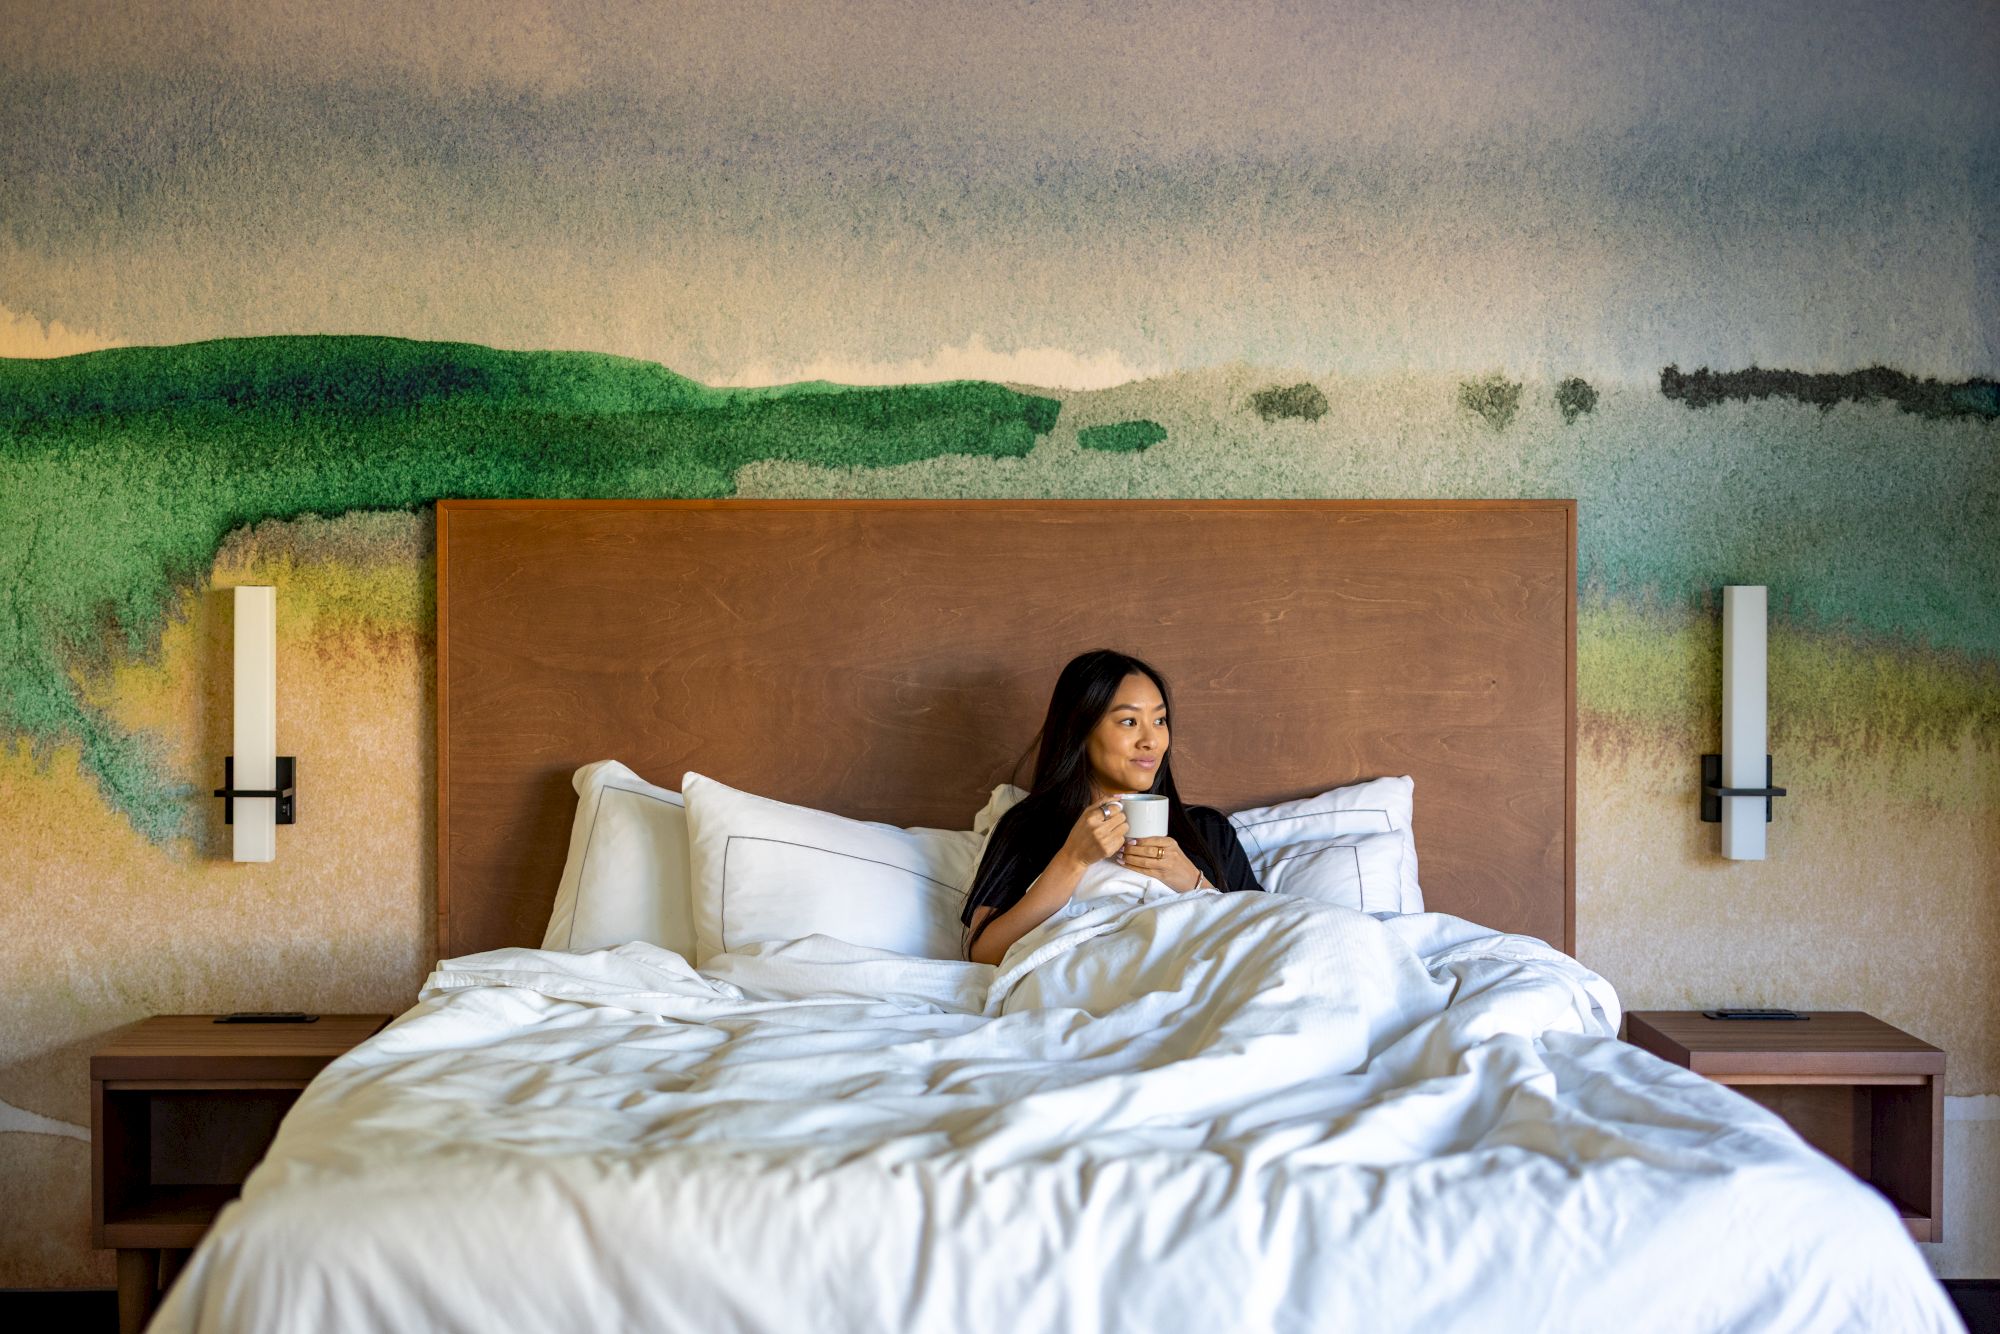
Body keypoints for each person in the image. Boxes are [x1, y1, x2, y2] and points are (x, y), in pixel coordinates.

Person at [961, 649, 1262, 965]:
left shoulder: (1207, 829)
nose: (1151, 740)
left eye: (1159, 720)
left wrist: (1190, 880)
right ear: (1081, 731)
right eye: (1129, 721)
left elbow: (1267, 931)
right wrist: (1073, 860)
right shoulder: (1029, 826)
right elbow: (982, 954)